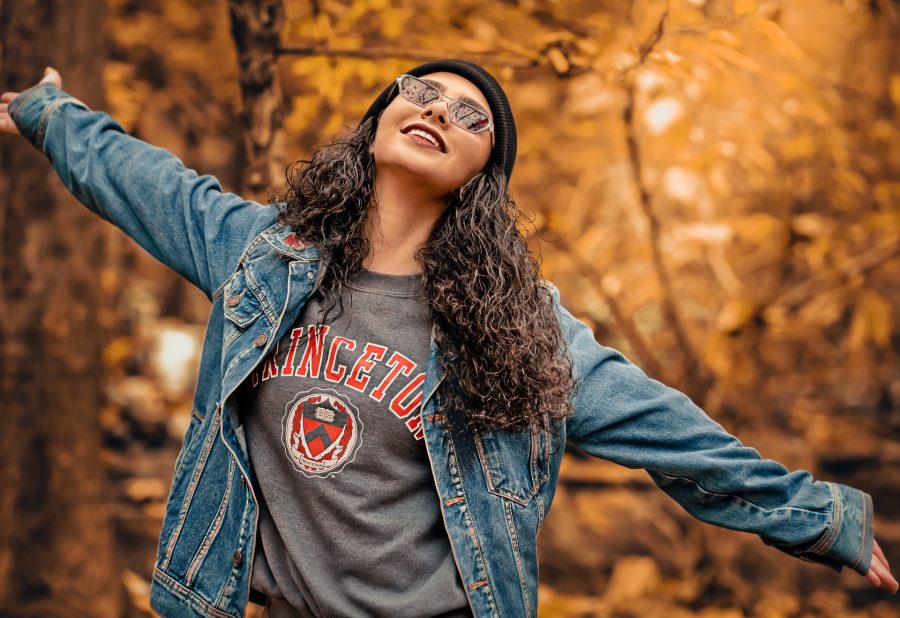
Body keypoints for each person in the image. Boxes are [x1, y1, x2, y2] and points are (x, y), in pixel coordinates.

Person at [1, 60, 896, 618]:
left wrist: (820, 518)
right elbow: (144, 181)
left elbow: (665, 427)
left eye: (472, 117)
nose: (437, 111)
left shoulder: (517, 326)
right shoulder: (262, 257)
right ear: (380, 122)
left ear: (483, 177)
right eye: (421, 94)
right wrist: (51, 114)